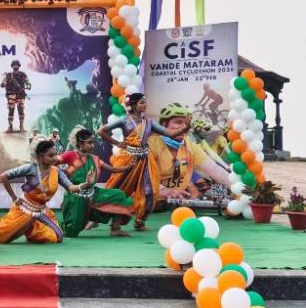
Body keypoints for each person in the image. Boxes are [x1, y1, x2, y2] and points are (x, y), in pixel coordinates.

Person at [98, 93, 190, 231]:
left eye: (145, 102)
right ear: (134, 105)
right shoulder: (124, 120)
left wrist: (185, 127)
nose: (145, 105)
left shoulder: (149, 122)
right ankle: (102, 219)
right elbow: (101, 131)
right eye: (142, 102)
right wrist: (118, 143)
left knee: (150, 191)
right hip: (128, 158)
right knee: (117, 188)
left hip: (146, 159)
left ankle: (140, 221)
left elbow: (170, 133)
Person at [0, 137, 94, 244]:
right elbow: (4, 176)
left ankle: (30, 227)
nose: (55, 158)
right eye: (51, 155)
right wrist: (14, 198)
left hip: (41, 210)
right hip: (24, 209)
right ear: (41, 156)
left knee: (56, 236)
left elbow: (70, 187)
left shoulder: (56, 171)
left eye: (55, 154)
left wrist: (86, 184)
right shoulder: (30, 168)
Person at [58, 127, 135, 237]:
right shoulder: (70, 155)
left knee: (119, 195)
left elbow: (113, 169)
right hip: (75, 197)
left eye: (93, 142)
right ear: (80, 143)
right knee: (71, 232)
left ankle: (115, 228)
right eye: (89, 143)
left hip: (94, 194)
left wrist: (129, 167)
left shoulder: (94, 159)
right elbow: (53, 162)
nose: (93, 146)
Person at [148, 103, 230, 202]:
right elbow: (141, 177)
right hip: (148, 203)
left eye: (186, 123)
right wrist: (163, 190)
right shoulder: (151, 145)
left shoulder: (190, 146)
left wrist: (237, 187)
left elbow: (215, 170)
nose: (184, 127)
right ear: (164, 125)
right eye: (178, 122)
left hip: (175, 202)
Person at [0, 60, 31, 133]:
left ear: (19, 66)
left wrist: (28, 86)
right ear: (12, 66)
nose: (15, 66)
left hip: (20, 95)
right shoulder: (8, 75)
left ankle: (21, 126)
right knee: (11, 111)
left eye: (16, 64)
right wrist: (3, 84)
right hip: (11, 95)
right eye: (14, 64)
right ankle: (10, 127)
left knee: (21, 110)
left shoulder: (23, 74)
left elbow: (28, 82)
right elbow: (3, 83)